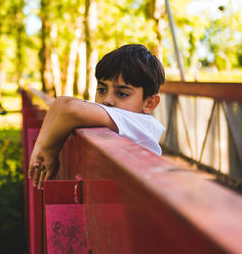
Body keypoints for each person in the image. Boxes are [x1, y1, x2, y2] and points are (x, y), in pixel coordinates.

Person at [28, 44, 166, 189]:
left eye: (122, 94)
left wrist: (49, 150)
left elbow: (72, 110)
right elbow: (61, 102)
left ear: (149, 103)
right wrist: (39, 146)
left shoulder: (139, 122)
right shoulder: (121, 113)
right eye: (101, 89)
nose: (107, 100)